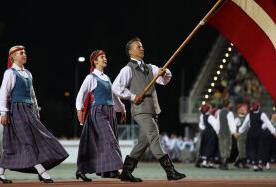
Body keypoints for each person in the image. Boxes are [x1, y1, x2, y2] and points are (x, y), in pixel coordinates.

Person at [112, 38, 186, 182]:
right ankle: (170, 171)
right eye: (139, 47)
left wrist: (164, 73)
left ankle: (126, 172)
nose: (142, 48)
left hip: (152, 109)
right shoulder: (127, 69)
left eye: (142, 46)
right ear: (131, 52)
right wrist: (132, 97)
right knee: (153, 135)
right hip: (140, 110)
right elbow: (116, 87)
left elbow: (164, 81)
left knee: (143, 142)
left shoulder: (150, 67)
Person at [0, 45, 69, 183]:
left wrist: (36, 111)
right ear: (13, 57)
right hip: (16, 110)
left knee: (22, 140)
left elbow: (32, 94)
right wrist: (3, 113)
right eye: (21, 53)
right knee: (27, 141)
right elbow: (3, 93)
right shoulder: (10, 73)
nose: (25, 55)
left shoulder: (28, 73)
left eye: (25, 52)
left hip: (27, 110)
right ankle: (41, 170)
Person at [75, 50, 126, 181]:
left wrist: (122, 109)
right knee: (111, 140)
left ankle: (108, 171)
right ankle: (121, 168)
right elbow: (81, 94)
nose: (105, 59)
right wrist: (79, 110)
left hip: (110, 112)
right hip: (98, 112)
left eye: (105, 57)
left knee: (94, 143)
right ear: (95, 61)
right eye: (102, 57)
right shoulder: (91, 77)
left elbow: (113, 96)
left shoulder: (107, 78)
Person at [235, 103, 276, 171]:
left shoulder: (249, 115)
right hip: (259, 133)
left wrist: (239, 132)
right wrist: (274, 133)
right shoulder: (262, 114)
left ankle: (255, 165)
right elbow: (268, 124)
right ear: (258, 107)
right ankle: (260, 164)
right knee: (260, 149)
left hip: (251, 133)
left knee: (252, 149)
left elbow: (244, 125)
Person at [216, 99, 237, 170]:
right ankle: (225, 164)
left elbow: (218, 122)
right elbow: (231, 123)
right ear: (228, 104)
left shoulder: (220, 112)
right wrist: (234, 132)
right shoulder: (229, 113)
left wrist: (217, 131)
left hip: (221, 132)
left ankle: (222, 163)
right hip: (227, 133)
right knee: (227, 148)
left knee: (222, 148)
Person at [199, 103, 219, 168]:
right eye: (210, 108)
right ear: (208, 109)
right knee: (211, 147)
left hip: (205, 133)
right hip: (211, 133)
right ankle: (210, 163)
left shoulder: (203, 116)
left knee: (205, 146)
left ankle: (205, 162)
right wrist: (217, 132)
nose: (211, 109)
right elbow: (216, 126)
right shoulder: (210, 117)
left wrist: (205, 129)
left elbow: (201, 125)